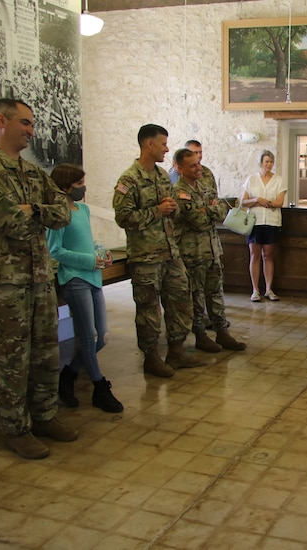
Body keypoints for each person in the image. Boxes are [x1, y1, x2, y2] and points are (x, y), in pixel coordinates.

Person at [0, 98, 76, 459]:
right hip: (3, 284)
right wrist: (34, 212)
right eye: (24, 123)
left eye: (32, 124)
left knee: (45, 355)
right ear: (1, 120)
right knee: (10, 360)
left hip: (39, 279)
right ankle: (16, 428)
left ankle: (44, 417)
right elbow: (8, 221)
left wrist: (34, 208)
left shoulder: (33, 172)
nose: (30, 130)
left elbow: (64, 212)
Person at [113, 124, 202, 378]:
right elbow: (123, 217)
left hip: (170, 253)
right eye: (163, 143)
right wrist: (156, 211)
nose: (166, 148)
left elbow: (169, 210)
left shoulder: (162, 176)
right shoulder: (129, 180)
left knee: (181, 300)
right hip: (146, 256)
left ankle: (176, 350)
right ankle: (151, 357)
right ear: (148, 144)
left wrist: (170, 207)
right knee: (149, 310)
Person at [47, 164, 123, 413]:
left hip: (93, 277)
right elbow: (55, 250)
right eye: (79, 183)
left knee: (100, 337)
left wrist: (100, 252)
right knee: (88, 337)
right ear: (66, 187)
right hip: (74, 278)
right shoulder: (56, 215)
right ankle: (100, 388)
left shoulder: (83, 210)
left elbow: (86, 241)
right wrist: (89, 260)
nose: (84, 187)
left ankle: (67, 375)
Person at [172, 147, 246, 352]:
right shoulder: (179, 192)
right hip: (192, 253)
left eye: (198, 163)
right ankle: (201, 335)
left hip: (212, 250)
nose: (198, 168)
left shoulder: (204, 187)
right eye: (192, 165)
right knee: (196, 297)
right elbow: (199, 221)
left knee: (216, 293)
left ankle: (222, 333)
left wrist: (210, 209)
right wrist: (210, 209)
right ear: (179, 168)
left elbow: (223, 210)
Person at [241, 150, 287, 302]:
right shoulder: (252, 179)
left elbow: (280, 202)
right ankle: (255, 290)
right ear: (261, 163)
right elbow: (243, 201)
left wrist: (267, 203)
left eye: (271, 162)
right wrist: (257, 199)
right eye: (266, 161)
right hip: (255, 222)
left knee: (268, 255)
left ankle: (268, 289)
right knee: (254, 255)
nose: (268, 164)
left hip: (272, 221)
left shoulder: (278, 180)